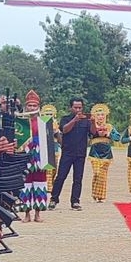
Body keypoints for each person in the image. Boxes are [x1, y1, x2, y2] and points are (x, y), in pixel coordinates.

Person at [49, 98, 91, 211]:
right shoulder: (65, 119)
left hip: (80, 153)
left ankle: (75, 201)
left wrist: (94, 121)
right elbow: (64, 130)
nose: (78, 110)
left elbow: (93, 133)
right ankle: (54, 199)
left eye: (80, 107)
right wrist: (74, 120)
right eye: (75, 107)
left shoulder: (86, 121)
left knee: (78, 178)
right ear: (70, 108)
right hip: (67, 152)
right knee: (61, 176)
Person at [19, 91, 48, 222]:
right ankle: (26, 214)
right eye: (29, 105)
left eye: (34, 106)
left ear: (38, 107)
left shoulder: (44, 121)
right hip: (26, 154)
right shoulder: (21, 122)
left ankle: (38, 213)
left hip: (40, 155)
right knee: (26, 183)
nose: (31, 108)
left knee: (40, 183)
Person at [88, 103, 120, 203]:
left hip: (106, 153)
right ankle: (95, 193)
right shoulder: (91, 126)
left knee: (103, 175)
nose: (100, 117)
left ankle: (101, 196)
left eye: (102, 115)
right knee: (97, 173)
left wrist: (108, 134)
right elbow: (87, 136)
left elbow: (118, 137)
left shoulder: (109, 127)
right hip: (95, 152)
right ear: (94, 116)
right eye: (98, 115)